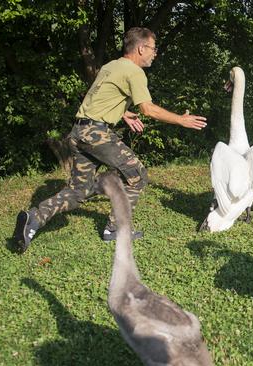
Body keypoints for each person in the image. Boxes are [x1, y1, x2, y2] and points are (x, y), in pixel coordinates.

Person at [13, 27, 207, 252]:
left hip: (78, 131)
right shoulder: (134, 72)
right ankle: (115, 228)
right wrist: (181, 120)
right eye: (153, 48)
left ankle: (33, 218)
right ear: (141, 48)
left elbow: (96, 96)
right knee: (137, 176)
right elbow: (148, 109)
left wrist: (123, 113)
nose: (155, 53)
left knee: (79, 191)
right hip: (96, 133)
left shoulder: (111, 66)